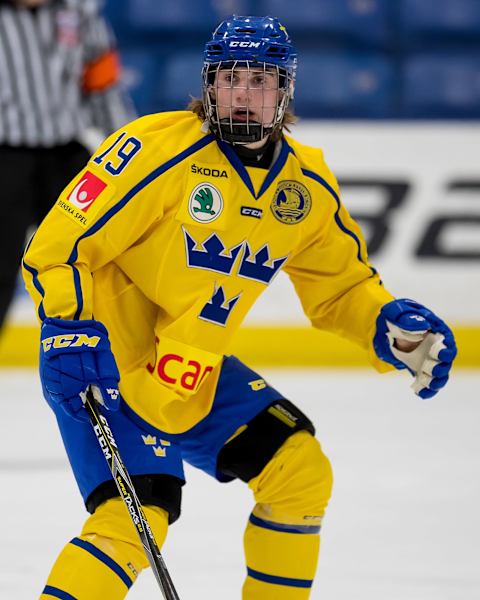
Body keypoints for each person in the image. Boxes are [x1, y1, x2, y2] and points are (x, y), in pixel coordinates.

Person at [23, 15, 457, 600]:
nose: (243, 95)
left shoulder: (304, 187)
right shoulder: (155, 147)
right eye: (230, 79)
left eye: (260, 81)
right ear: (209, 85)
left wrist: (389, 328)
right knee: (134, 519)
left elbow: (343, 288)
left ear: (285, 91)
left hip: (191, 368)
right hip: (107, 364)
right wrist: (71, 331)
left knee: (300, 472)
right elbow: (58, 246)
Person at [0, 0, 135, 332]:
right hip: (5, 156)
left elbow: (104, 85)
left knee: (98, 261)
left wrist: (136, 155)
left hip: (65, 156)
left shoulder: (79, 11)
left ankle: (106, 349)